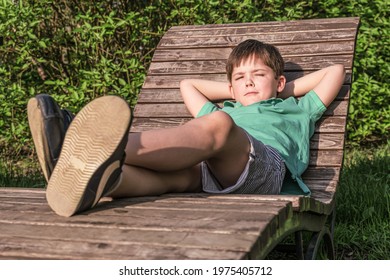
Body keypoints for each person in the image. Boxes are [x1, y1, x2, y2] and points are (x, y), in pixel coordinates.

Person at [27, 39, 345, 217]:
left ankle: (91, 143)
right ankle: (94, 181)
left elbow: (335, 70)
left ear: (278, 81)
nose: (248, 80)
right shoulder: (230, 105)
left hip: (267, 171)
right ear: (230, 88)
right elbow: (187, 84)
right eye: (239, 77)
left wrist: (278, 91)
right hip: (209, 171)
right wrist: (237, 94)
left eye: (258, 75)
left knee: (219, 124)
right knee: (176, 178)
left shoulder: (297, 108)